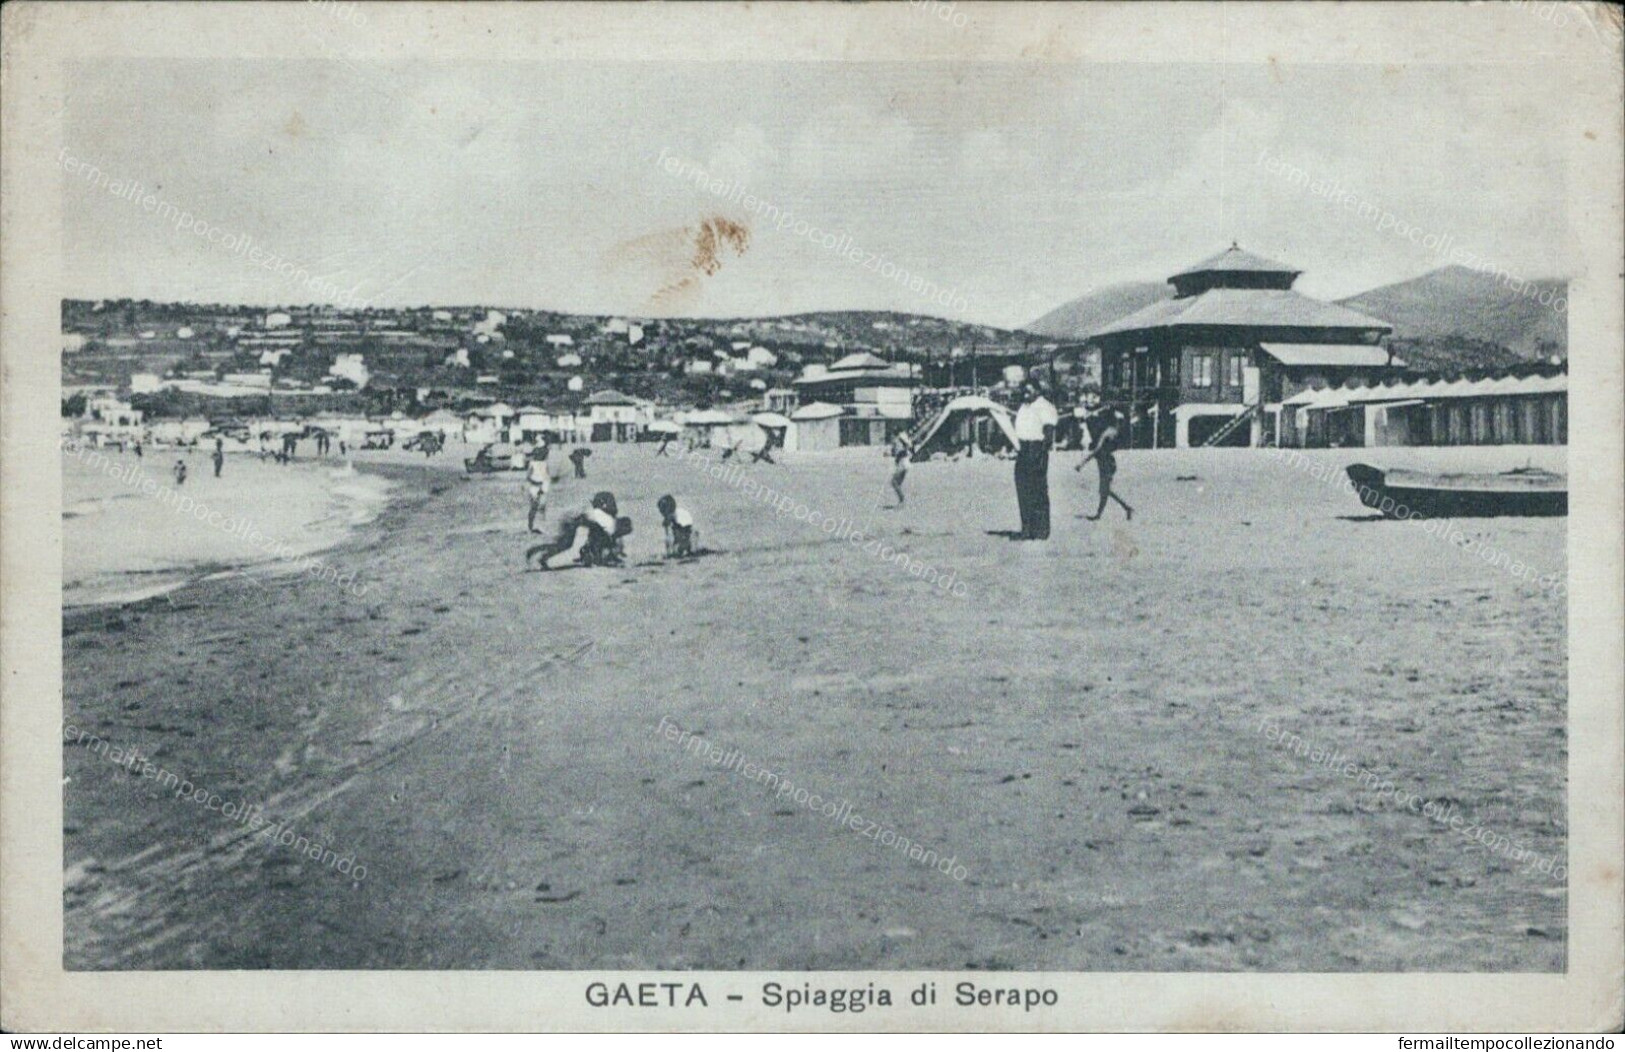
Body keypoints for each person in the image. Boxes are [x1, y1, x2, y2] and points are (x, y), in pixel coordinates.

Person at [1076, 389, 1134, 521]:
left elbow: (1097, 449)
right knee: (1105, 491)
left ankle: (1108, 512)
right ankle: (1125, 508)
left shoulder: (1107, 431)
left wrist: (1082, 463)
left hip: (1107, 462)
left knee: (1104, 490)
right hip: (1103, 460)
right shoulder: (1107, 429)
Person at [1011, 382, 1058, 540]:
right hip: (1023, 449)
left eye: (1029, 391)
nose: (1025, 395)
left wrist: (1040, 454)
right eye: (1024, 391)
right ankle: (1027, 528)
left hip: (1037, 449)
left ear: (1038, 391)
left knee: (1038, 490)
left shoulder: (1045, 406)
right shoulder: (1024, 407)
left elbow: (1049, 432)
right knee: (1023, 489)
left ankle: (1041, 530)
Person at [526, 491, 618, 570]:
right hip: (569, 522)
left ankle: (541, 557)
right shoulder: (591, 511)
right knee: (563, 545)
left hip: (570, 520)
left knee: (562, 545)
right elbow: (592, 522)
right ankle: (536, 552)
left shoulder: (589, 507)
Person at [524, 446, 552, 533]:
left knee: (542, 506)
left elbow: (547, 476)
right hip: (534, 487)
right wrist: (535, 483)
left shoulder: (545, 464)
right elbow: (528, 476)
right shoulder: (532, 463)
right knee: (534, 507)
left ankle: (541, 526)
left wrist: (544, 486)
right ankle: (530, 525)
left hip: (543, 486)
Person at [889, 433, 914, 506]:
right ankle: (902, 500)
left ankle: (902, 500)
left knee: (894, 482)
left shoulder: (900, 439)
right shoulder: (898, 443)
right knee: (897, 483)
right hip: (903, 464)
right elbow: (894, 453)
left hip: (903, 464)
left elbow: (907, 447)